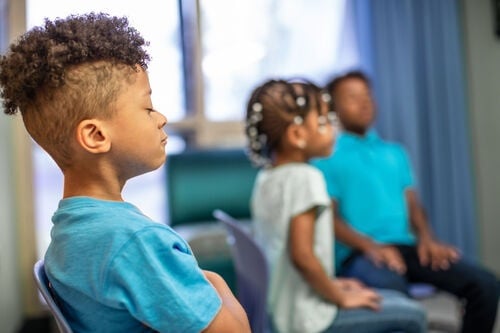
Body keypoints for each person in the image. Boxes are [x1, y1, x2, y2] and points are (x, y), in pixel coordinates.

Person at [0, 13, 250, 333]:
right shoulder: (133, 242)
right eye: (147, 108)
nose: (160, 118)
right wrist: (214, 280)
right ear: (96, 136)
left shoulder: (68, 232)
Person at [312, 70, 499, 333]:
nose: (364, 103)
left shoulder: (395, 153)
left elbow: (413, 206)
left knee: (485, 285)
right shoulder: (326, 158)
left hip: (407, 247)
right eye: (353, 97)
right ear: (334, 108)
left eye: (367, 95)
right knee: (399, 300)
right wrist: (370, 246)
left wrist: (427, 239)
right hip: (360, 255)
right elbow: (330, 219)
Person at [245, 78, 427, 333]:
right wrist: (339, 297)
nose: (333, 129)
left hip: (283, 312)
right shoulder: (307, 178)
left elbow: (285, 253)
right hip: (308, 321)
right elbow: (302, 257)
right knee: (414, 315)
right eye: (323, 122)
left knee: (386, 298)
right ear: (297, 135)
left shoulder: (268, 177)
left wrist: (334, 284)